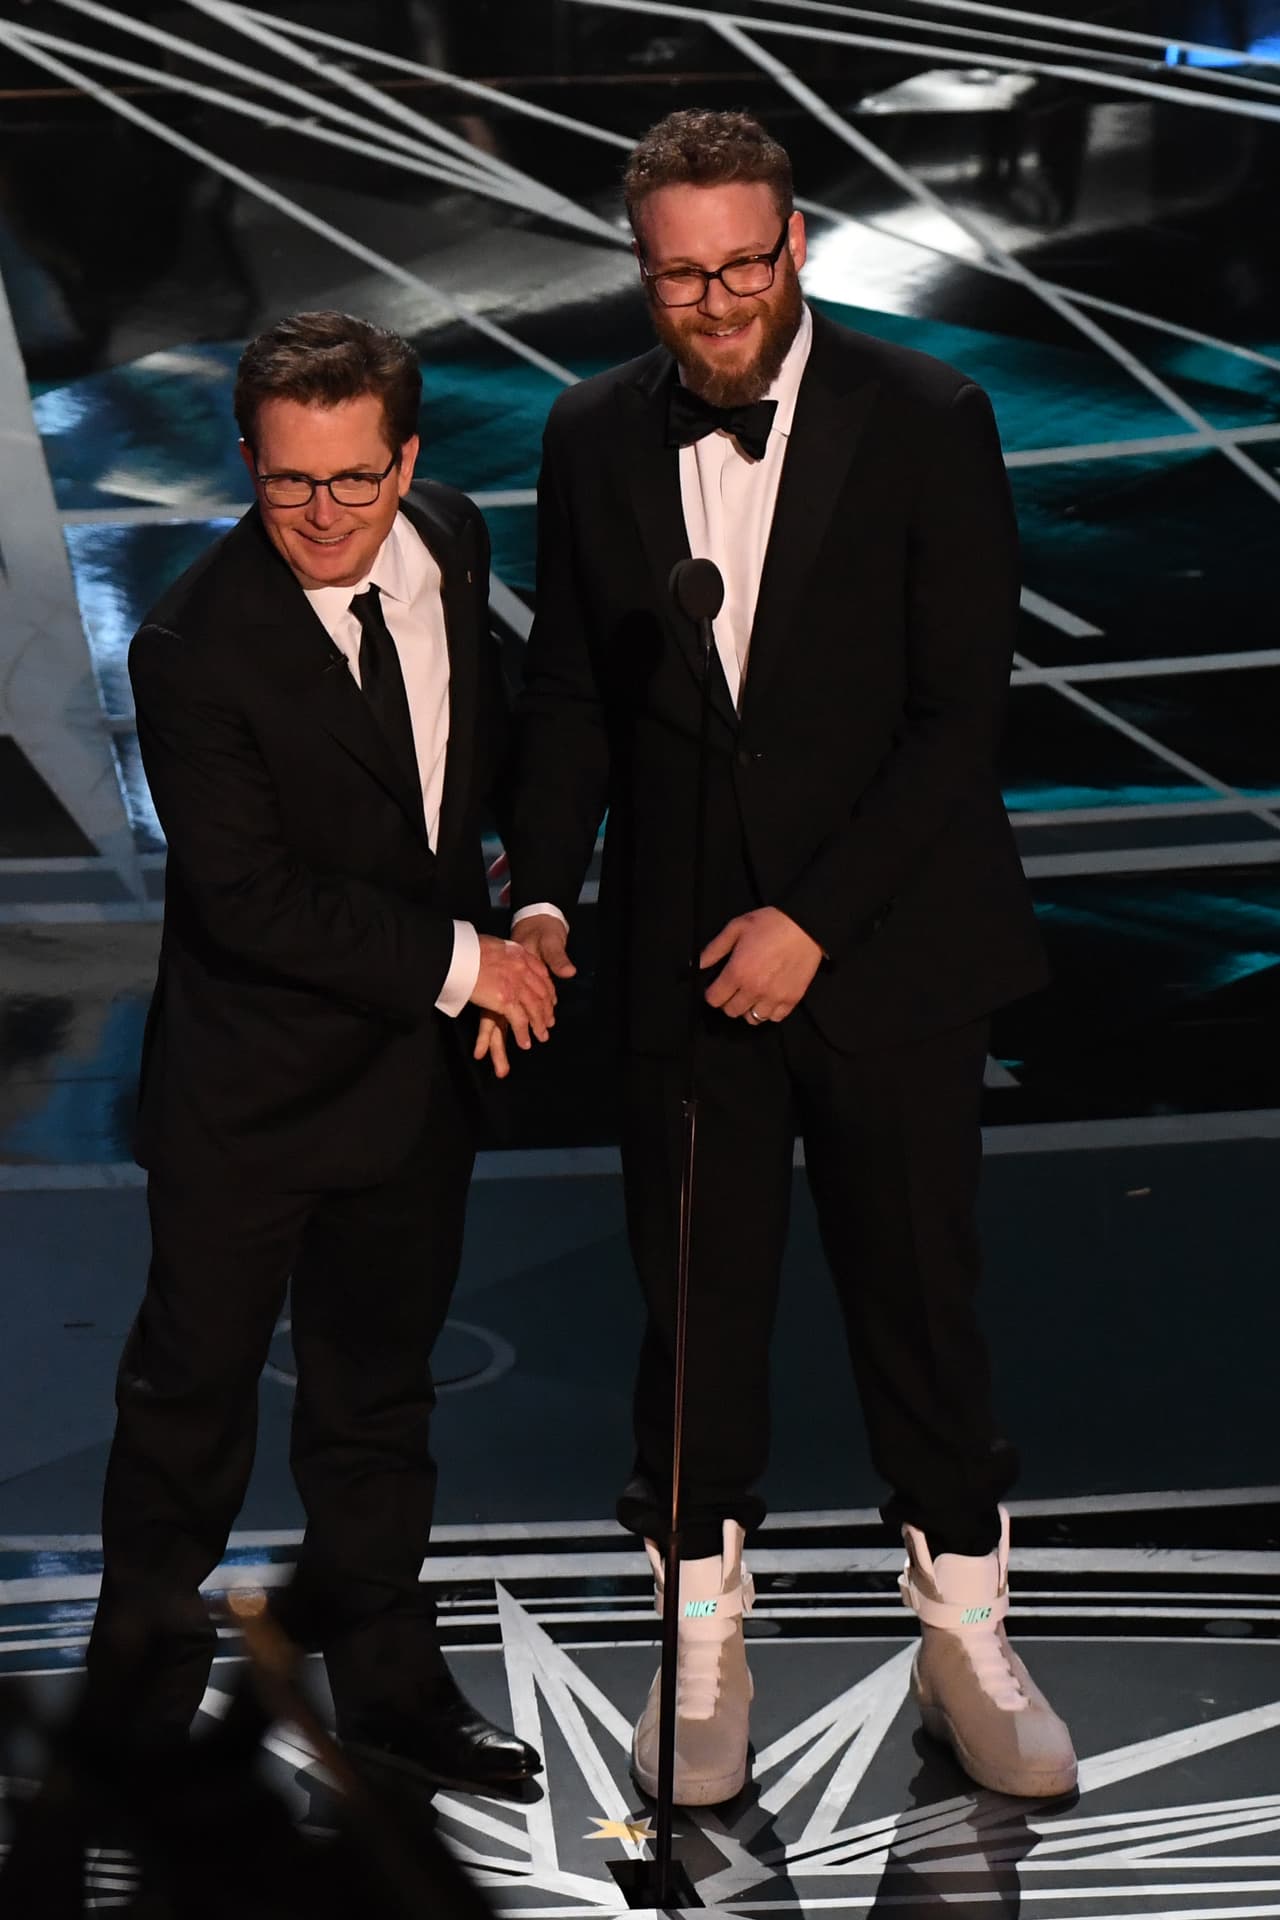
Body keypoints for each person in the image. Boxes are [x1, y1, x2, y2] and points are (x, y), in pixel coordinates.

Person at [504, 111, 1076, 1805]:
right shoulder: (590, 435)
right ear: (643, 267)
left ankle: (965, 1640)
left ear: (799, 241)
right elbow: (568, 706)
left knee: (920, 1306)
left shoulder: (930, 417)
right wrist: (545, 899)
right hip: (686, 975)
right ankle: (701, 1651)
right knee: (698, 1324)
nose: (718, 299)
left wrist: (813, 920)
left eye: (744, 264)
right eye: (682, 274)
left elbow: (956, 716)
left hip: (889, 952)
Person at [86, 310, 553, 1797]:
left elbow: (489, 759)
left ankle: (394, 1692)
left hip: (411, 1089)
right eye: (289, 485)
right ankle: (138, 1720)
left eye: (356, 482)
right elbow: (253, 900)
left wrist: (525, 914)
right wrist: (473, 965)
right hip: (249, 1094)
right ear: (248, 465)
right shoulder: (191, 645)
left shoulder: (456, 541)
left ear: (408, 459)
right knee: (189, 1417)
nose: (325, 517)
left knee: (379, 1403)